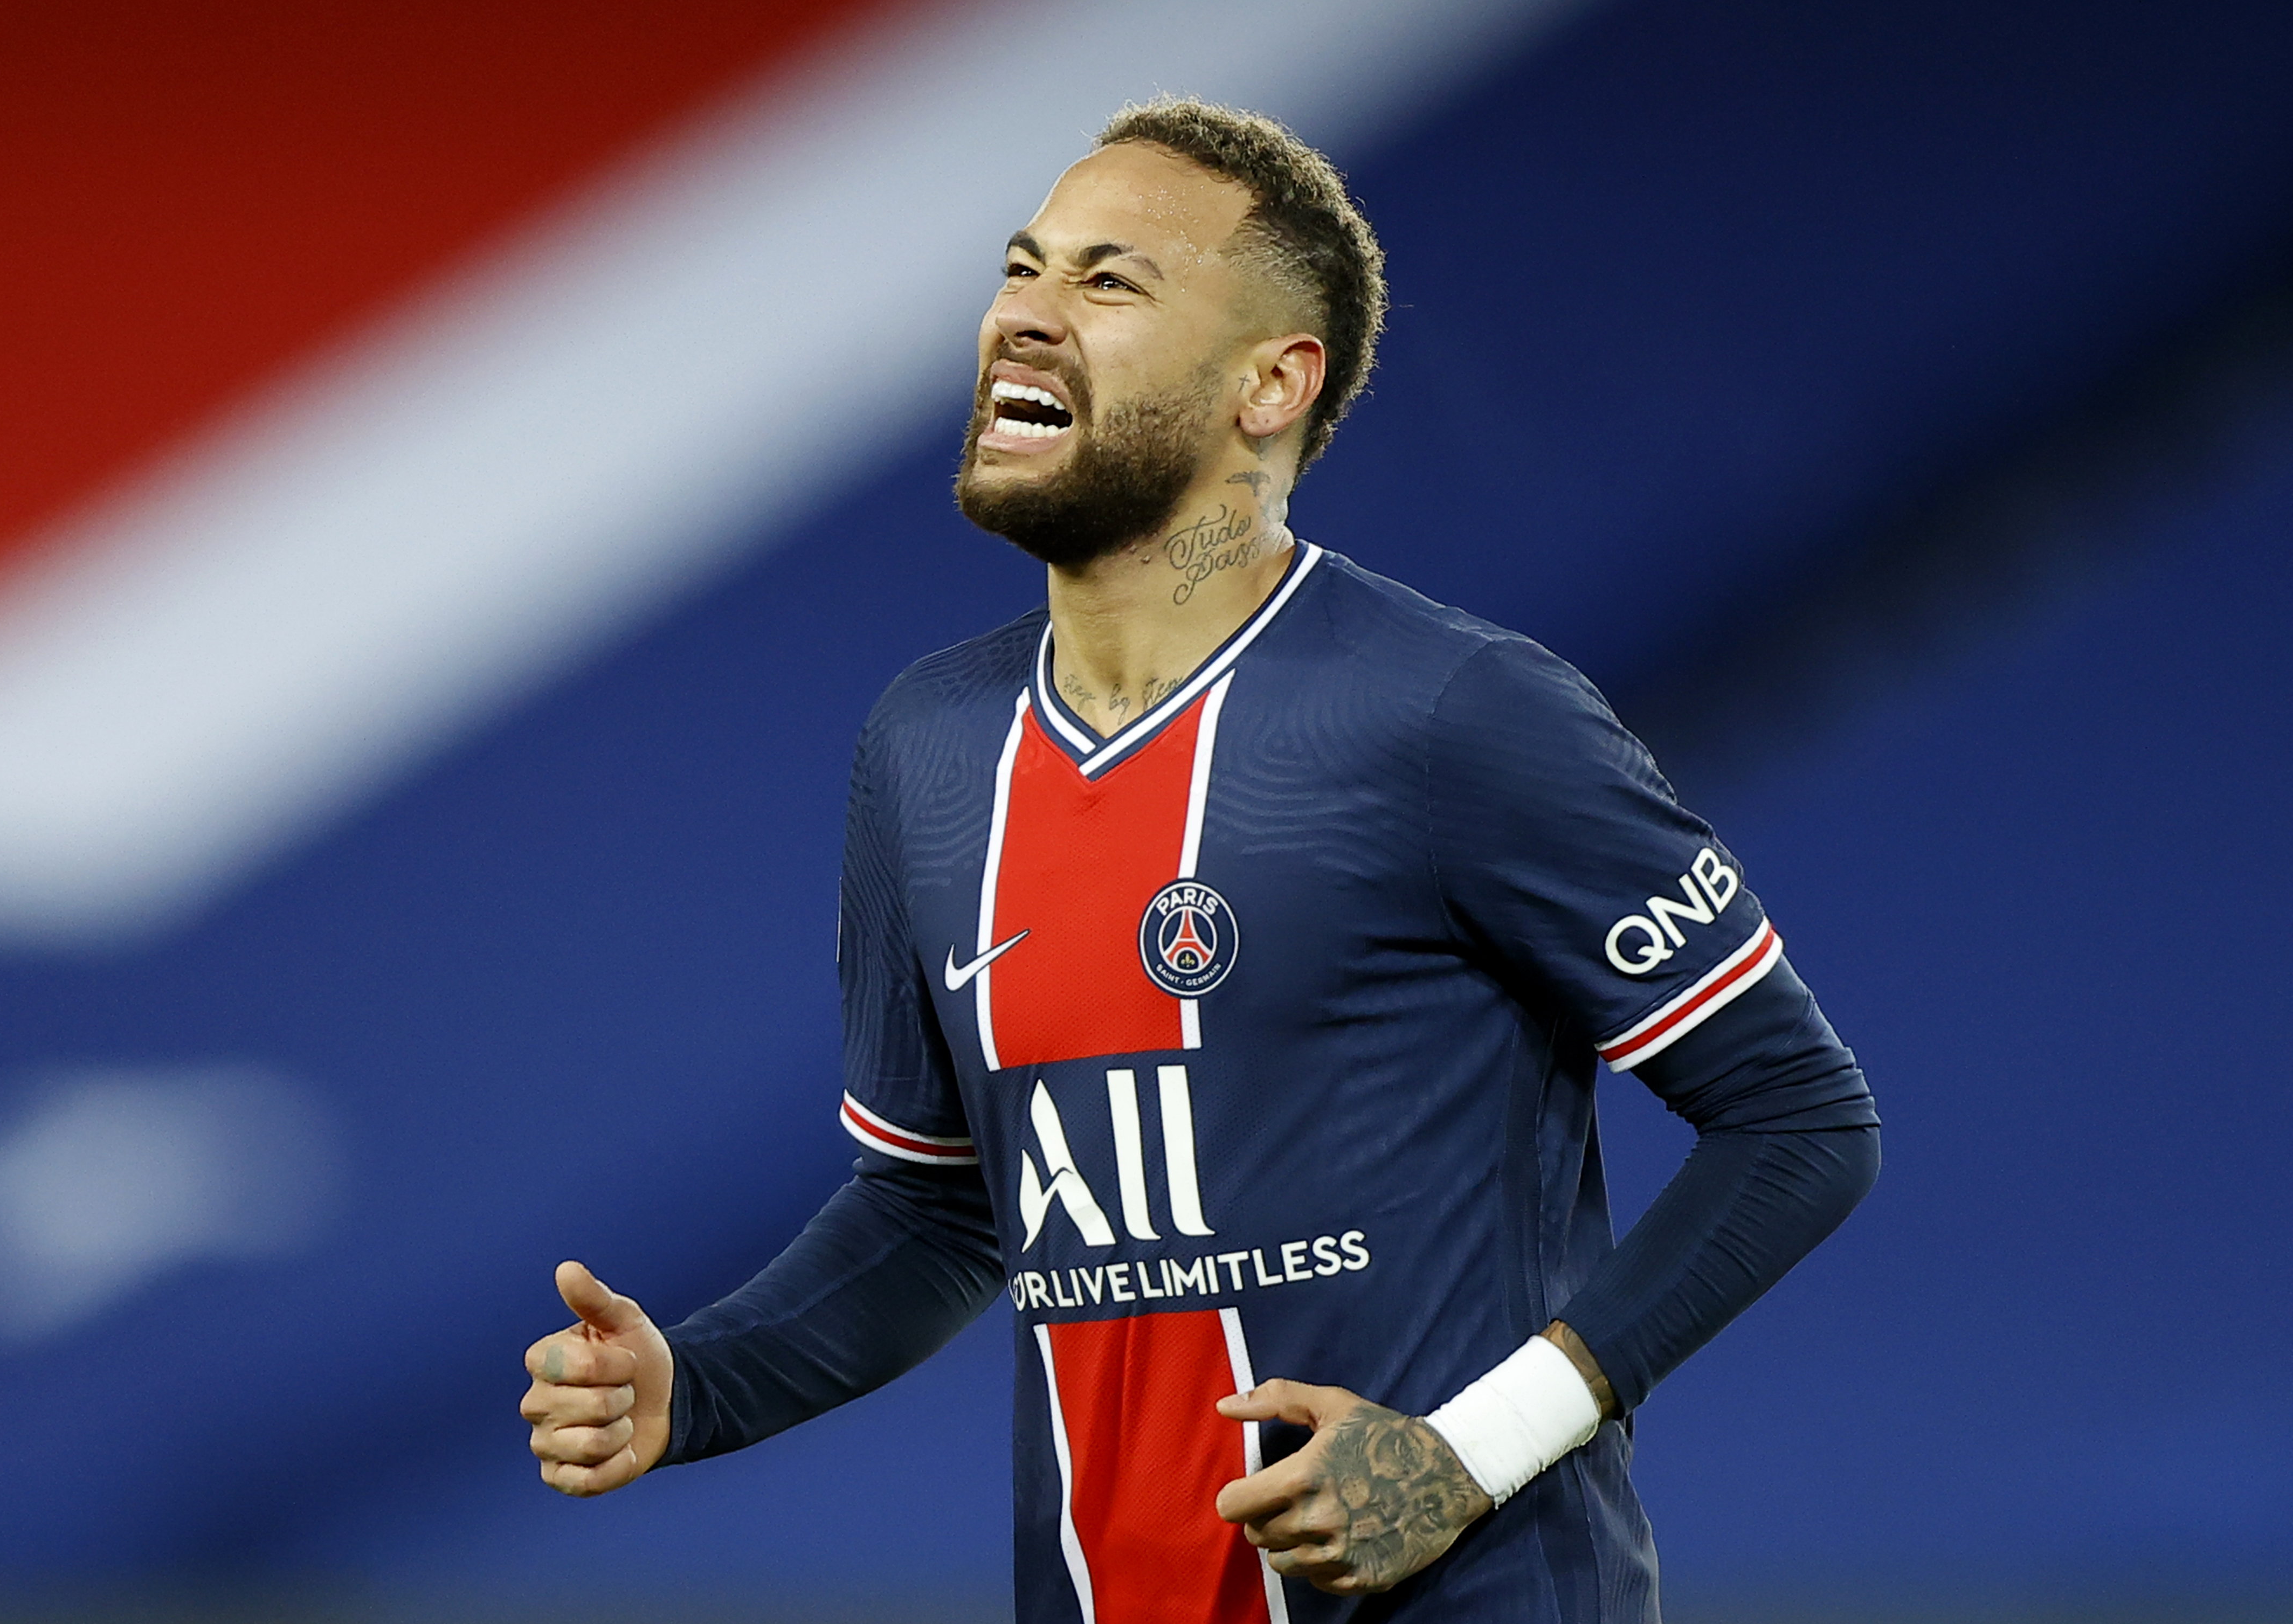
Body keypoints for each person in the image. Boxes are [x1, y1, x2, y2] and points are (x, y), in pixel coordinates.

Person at [518, 98, 1880, 1623]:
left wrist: (1467, 1456)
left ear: (1271, 384)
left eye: (1109, 281)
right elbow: (945, 1209)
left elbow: (1799, 1118)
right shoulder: (931, 749)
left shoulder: (1455, 713)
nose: (1027, 313)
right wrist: (699, 1384)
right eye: (1024, 267)